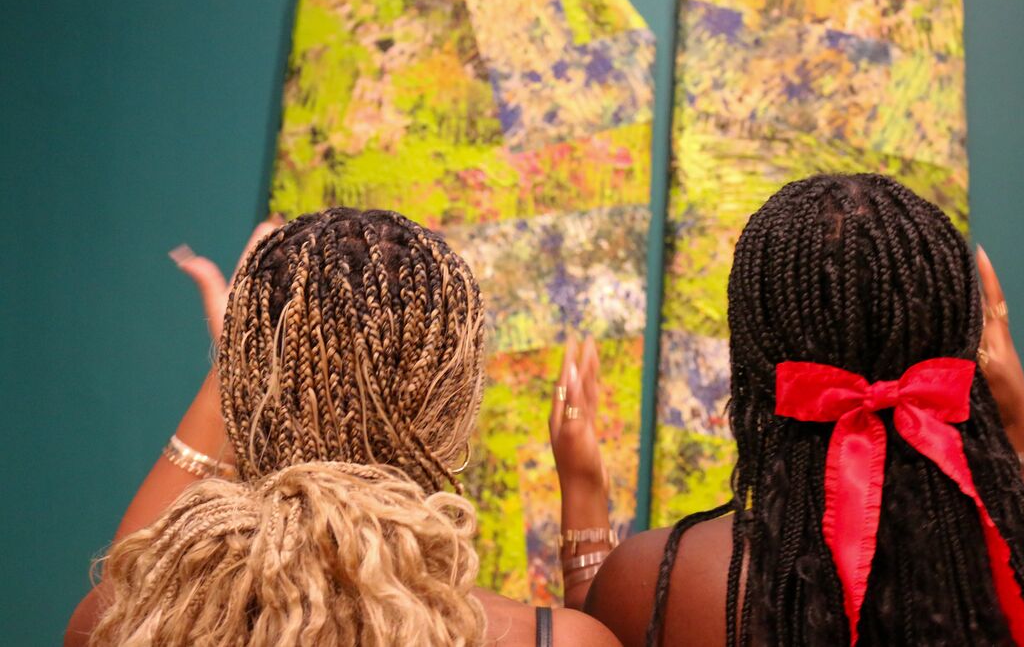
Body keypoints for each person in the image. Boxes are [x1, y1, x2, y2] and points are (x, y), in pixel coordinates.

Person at [584, 174, 1024, 646]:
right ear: (960, 337)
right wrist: (1021, 430)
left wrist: (582, 499)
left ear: (752, 358)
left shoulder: (666, 579)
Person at [66, 208, 618, 646]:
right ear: (453, 408)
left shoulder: (134, 619)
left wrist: (239, 366)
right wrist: (585, 491)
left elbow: (128, 578)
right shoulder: (552, 639)